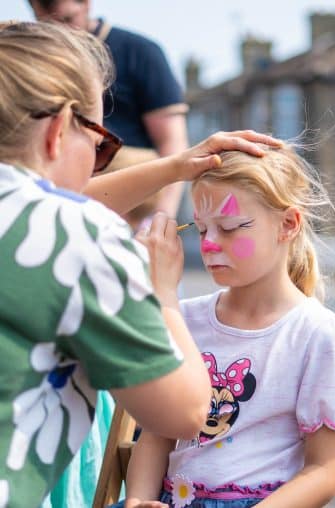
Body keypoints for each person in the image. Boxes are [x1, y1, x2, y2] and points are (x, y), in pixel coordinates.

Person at [0, 20, 282, 508]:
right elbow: (187, 412)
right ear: (58, 130)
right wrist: (164, 293)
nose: (97, 164)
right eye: (100, 144)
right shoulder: (79, 234)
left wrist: (178, 165)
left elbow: (39, 203)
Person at [120, 148, 335, 508]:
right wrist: (138, 500)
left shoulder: (322, 335)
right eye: (201, 229)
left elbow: (323, 473)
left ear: (288, 224)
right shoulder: (183, 318)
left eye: (231, 228)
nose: (209, 244)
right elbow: (156, 436)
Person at [27, 0, 189, 229]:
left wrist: (162, 217)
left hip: (133, 207)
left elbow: (172, 140)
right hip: (60, 201)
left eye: (67, 20)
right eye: (47, 24)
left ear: (86, 3)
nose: (60, 33)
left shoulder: (140, 53)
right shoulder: (31, 61)